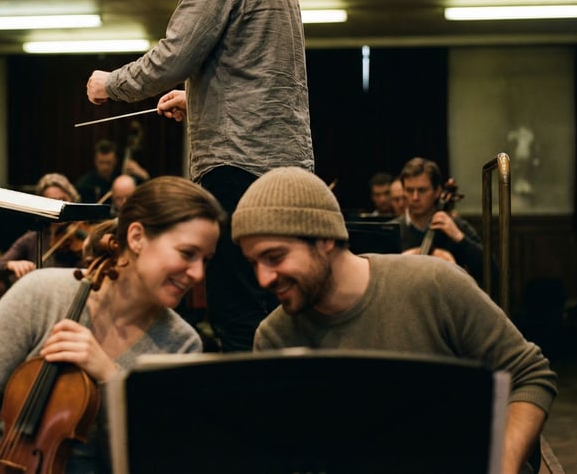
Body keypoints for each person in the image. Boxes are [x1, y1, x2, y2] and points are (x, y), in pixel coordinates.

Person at [86, 0, 314, 352]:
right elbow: (266, 79)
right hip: (287, 174)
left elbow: (173, 58)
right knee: (278, 310)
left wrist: (111, 84)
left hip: (236, 171)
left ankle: (244, 403)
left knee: (237, 312)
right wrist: (199, 100)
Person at [232, 167, 558, 474]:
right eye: (253, 263)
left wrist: (501, 467)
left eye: (275, 257)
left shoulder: (434, 285)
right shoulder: (274, 337)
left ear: (324, 239)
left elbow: (528, 374)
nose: (263, 279)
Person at [0, 175, 224, 474]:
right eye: (187, 253)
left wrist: (112, 379)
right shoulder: (40, 294)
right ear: (136, 237)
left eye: (206, 260)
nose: (198, 274)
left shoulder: (182, 344)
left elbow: (159, 457)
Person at [391, 156, 486, 284]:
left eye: (422, 190)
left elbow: (492, 271)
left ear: (437, 191)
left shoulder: (455, 226)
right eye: (409, 190)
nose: (415, 197)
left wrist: (458, 237)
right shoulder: (391, 230)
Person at [0, 173, 84, 293]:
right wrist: (10, 265)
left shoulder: (82, 236)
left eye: (63, 199)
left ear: (72, 200)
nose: (59, 206)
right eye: (51, 201)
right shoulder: (32, 239)